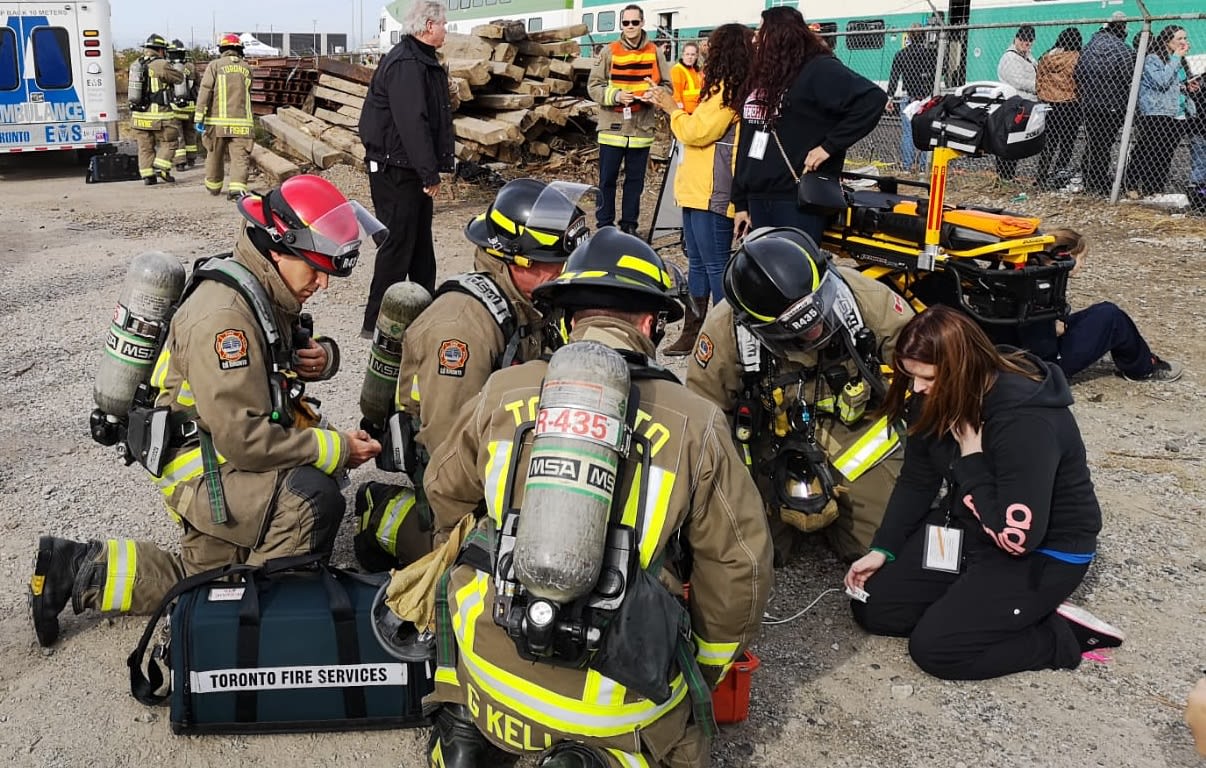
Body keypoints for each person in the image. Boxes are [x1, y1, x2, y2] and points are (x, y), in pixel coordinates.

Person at [421, 227, 772, 768]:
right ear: (651, 323)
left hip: (488, 668)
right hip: (609, 710)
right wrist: (698, 665)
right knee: (689, 746)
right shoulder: (695, 423)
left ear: (567, 319)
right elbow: (741, 568)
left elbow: (444, 491)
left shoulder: (505, 388)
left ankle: (466, 728)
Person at [29, 175, 383, 647]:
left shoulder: (263, 286)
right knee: (312, 498)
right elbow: (246, 440)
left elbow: (278, 361)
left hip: (215, 454)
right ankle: (244, 621)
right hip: (207, 468)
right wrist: (336, 449)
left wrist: (323, 357)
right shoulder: (225, 319)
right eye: (315, 269)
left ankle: (74, 568)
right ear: (279, 249)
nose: (321, 283)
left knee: (205, 580)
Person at [844, 305, 1125, 680]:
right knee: (875, 609)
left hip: (1041, 550)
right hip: (974, 526)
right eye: (910, 376)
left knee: (937, 650)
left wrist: (971, 457)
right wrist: (884, 547)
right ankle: (982, 607)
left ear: (960, 369)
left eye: (926, 377)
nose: (917, 388)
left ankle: (1060, 635)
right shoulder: (936, 396)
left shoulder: (1025, 419)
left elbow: (1019, 538)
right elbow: (916, 480)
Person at [353, 178, 593, 572]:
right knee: (482, 560)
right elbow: (447, 446)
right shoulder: (461, 329)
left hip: (501, 445)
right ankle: (383, 514)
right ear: (516, 260)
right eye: (555, 262)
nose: (566, 272)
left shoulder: (532, 303)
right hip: (452, 467)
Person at [686, 227, 912, 565]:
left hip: (855, 436)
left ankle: (848, 509)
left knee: (881, 546)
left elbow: (929, 361)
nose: (817, 331)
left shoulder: (861, 297)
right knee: (757, 552)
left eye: (816, 316)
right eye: (800, 331)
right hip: (772, 441)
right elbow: (703, 416)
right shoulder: (726, 329)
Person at [732, 6, 886, 246]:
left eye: (760, 31)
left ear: (779, 35)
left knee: (795, 274)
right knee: (764, 275)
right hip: (758, 196)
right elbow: (748, 139)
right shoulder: (764, 74)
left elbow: (872, 100)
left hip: (796, 198)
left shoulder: (818, 69)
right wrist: (740, 201)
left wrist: (828, 146)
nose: (754, 38)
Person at [646, 24, 754, 356]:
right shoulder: (717, 87)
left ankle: (724, 339)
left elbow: (696, 132)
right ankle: (694, 332)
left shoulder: (729, 91)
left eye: (713, 42)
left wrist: (670, 106)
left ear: (726, 50)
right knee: (697, 262)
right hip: (695, 190)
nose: (705, 46)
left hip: (713, 192)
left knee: (715, 265)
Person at [359, 0, 456, 334]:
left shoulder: (422, 60)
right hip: (395, 168)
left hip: (406, 166)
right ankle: (378, 322)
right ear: (428, 26)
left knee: (419, 246)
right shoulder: (406, 64)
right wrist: (429, 173)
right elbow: (412, 122)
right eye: (444, 24)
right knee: (397, 244)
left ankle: (422, 311)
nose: (447, 29)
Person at [1026, 229, 1183, 382]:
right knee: (1111, 316)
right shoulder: (1043, 290)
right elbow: (1055, 329)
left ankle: (1111, 347)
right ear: (1068, 258)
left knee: (1100, 311)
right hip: (1044, 366)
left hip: (1016, 357)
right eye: (1082, 258)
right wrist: (1056, 325)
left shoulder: (1026, 276)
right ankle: (1144, 368)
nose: (1083, 265)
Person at [587, 4, 672, 234]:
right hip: (612, 129)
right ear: (621, 25)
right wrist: (615, 95)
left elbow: (667, 86)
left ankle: (629, 227)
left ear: (642, 23)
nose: (630, 27)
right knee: (606, 181)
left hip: (641, 130)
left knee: (635, 183)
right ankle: (604, 226)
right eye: (626, 23)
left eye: (635, 22)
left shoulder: (655, 52)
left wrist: (652, 95)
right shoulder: (609, 51)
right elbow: (593, 86)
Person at [1125, 25, 1196, 197]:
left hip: (1176, 112)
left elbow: (1172, 83)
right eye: (1179, 38)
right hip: (1156, 111)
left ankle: (1155, 189)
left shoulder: (1177, 60)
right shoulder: (1153, 59)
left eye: (1185, 38)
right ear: (1167, 40)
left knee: (1166, 154)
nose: (1183, 42)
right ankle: (1131, 184)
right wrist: (1177, 58)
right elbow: (1161, 81)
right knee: (1149, 150)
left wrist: (1186, 85)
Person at [1075, 13, 1135, 196]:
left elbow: (1078, 73)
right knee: (1105, 143)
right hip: (1113, 104)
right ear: (1123, 28)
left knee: (1093, 142)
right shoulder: (1123, 49)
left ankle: (1089, 179)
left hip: (1090, 102)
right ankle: (1099, 180)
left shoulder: (1088, 47)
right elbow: (1128, 76)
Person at [194, 34, 254, 200]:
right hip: (242, 123)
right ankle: (237, 190)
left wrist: (199, 117)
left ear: (222, 49)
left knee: (214, 154)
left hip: (216, 123)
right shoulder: (247, 68)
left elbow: (205, 91)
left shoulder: (215, 66)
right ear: (239, 50)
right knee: (240, 157)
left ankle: (214, 186)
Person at [130, 34, 183, 186]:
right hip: (159, 115)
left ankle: (148, 176)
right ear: (160, 50)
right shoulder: (161, 64)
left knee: (145, 147)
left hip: (139, 116)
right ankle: (161, 167)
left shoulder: (136, 64)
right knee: (170, 141)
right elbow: (178, 78)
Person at [885, 25, 938, 174]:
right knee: (926, 131)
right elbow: (941, 71)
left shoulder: (901, 54)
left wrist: (889, 97)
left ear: (908, 36)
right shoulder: (931, 54)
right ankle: (923, 167)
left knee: (908, 133)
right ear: (923, 36)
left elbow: (894, 77)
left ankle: (907, 166)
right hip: (926, 97)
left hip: (908, 96)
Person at [1035, 28, 1082, 190]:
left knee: (1049, 142)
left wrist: (1042, 94)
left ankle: (1041, 176)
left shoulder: (1047, 57)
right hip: (1070, 105)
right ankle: (1057, 177)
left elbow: (1038, 80)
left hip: (1049, 104)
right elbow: (1079, 82)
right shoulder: (1077, 58)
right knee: (1067, 143)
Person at [995, 25, 1038, 182]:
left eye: (1029, 41)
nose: (1026, 44)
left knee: (1016, 140)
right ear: (1016, 39)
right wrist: (1039, 87)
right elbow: (1018, 81)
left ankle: (1008, 175)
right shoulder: (1010, 57)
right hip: (1013, 104)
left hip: (1024, 103)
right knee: (1009, 140)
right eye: (1023, 40)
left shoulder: (1028, 57)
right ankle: (1004, 175)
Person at [166, 39, 198, 171]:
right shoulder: (190, 67)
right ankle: (191, 158)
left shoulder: (168, 67)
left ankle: (180, 162)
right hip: (190, 107)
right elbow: (197, 86)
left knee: (178, 135)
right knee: (190, 133)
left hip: (175, 108)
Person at [670, 42, 703, 114]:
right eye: (687, 54)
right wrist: (681, 113)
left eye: (692, 54)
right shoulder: (677, 70)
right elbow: (676, 94)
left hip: (697, 112)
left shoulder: (696, 71)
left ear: (696, 56)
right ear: (683, 55)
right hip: (686, 113)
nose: (690, 57)